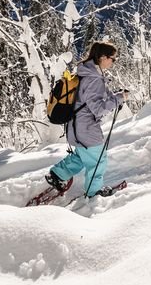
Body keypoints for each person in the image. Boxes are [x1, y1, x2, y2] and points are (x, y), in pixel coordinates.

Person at [46, 42, 128, 197]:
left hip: (76, 127)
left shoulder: (85, 73)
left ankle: (57, 174)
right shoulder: (94, 79)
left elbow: (88, 99)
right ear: (103, 57)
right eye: (113, 59)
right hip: (86, 129)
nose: (113, 62)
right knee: (98, 161)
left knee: (83, 155)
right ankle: (94, 192)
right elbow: (98, 108)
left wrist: (115, 95)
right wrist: (119, 99)